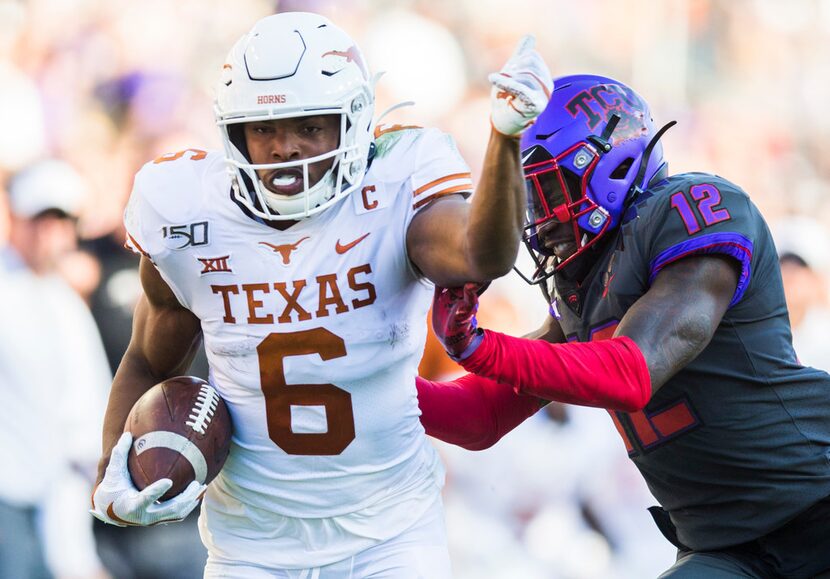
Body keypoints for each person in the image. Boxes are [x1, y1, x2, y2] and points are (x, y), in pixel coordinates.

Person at [90, 11, 552, 578]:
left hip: (391, 534)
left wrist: (504, 139)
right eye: (264, 129)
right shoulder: (188, 217)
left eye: (308, 126)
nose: (285, 148)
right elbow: (145, 358)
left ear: (353, 122)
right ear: (233, 133)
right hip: (250, 546)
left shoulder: (395, 185)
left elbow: (485, 256)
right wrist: (112, 469)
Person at [417, 74, 830, 578]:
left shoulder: (693, 208)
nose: (538, 217)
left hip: (815, 506)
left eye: (548, 186)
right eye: (529, 197)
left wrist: (477, 346)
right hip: (726, 547)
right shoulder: (582, 284)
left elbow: (631, 372)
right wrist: (366, 389)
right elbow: (481, 415)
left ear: (609, 161)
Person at [0, 159, 111, 579]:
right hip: (12, 506)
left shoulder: (63, 301)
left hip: (59, 509)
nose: (52, 233)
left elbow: (82, 418)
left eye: (63, 220)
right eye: (41, 219)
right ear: (15, 218)